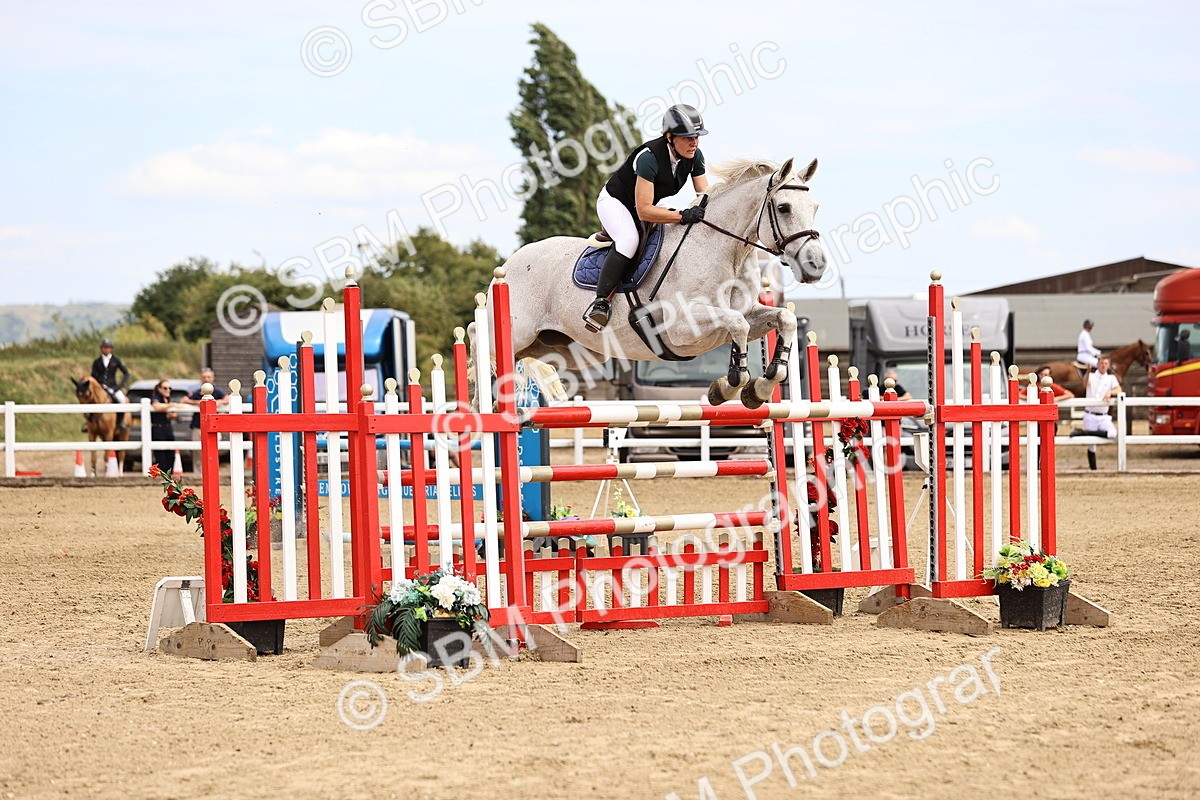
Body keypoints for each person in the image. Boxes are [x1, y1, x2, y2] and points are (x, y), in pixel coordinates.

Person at [582, 104, 711, 332]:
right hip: (616, 203)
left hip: (645, 203)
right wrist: (681, 215)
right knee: (629, 240)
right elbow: (644, 211)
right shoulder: (649, 157)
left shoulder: (694, 156)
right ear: (670, 137)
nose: (694, 143)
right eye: (688, 137)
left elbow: (705, 194)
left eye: (697, 137)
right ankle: (600, 303)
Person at [180, 368, 229, 464]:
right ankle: (198, 475)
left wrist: (219, 402)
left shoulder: (217, 391)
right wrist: (196, 403)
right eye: (204, 377)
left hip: (213, 426)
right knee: (197, 452)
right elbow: (184, 400)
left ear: (213, 378)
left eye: (208, 377)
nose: (206, 379)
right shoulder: (197, 392)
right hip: (198, 426)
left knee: (213, 451)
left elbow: (227, 399)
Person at [1081, 356, 1121, 470]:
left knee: (1113, 433)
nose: (1103, 365)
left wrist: (1110, 392)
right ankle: (1093, 468)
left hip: (1103, 416)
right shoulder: (1092, 377)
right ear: (1098, 364)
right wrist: (1088, 371)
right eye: (1101, 363)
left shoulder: (1111, 378)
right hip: (1090, 414)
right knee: (1091, 445)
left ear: (1108, 365)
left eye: (1105, 363)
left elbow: (1119, 390)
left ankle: (1088, 433)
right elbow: (1084, 384)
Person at [90, 337, 130, 432]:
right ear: (101, 348)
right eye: (104, 347)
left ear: (111, 348)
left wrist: (121, 385)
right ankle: (90, 423)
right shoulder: (97, 361)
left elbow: (126, 373)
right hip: (101, 387)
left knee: (121, 400)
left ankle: (120, 422)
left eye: (108, 347)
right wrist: (99, 384)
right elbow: (93, 376)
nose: (106, 349)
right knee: (90, 400)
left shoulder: (116, 360)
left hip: (113, 387)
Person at [149, 379, 176, 474]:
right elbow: (157, 406)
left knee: (171, 455)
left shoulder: (169, 399)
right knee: (160, 456)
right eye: (165, 388)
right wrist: (170, 405)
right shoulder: (156, 397)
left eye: (169, 388)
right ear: (159, 389)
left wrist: (172, 414)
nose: (168, 390)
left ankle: (170, 476)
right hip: (158, 429)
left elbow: (173, 414)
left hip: (168, 428)